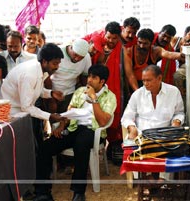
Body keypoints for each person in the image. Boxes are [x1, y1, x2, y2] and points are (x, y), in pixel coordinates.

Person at [34, 64, 117, 201]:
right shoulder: (79, 91)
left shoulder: (110, 97)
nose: (89, 80)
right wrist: (61, 126)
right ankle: (42, 191)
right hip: (74, 128)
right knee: (46, 146)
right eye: (89, 76)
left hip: (93, 131)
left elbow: (103, 122)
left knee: (81, 144)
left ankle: (78, 192)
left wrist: (94, 98)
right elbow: (69, 112)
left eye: (94, 78)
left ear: (102, 81)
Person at [121, 64, 184, 185]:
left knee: (170, 147)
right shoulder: (138, 94)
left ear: (159, 78)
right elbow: (127, 116)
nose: (145, 83)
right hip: (142, 134)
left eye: (149, 80)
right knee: (139, 146)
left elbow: (179, 113)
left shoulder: (173, 92)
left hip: (165, 134)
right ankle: (146, 178)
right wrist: (132, 127)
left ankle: (162, 178)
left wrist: (177, 122)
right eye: (143, 80)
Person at [0, 43, 65, 141]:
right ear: (44, 61)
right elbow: (26, 107)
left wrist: (51, 93)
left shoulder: (39, 68)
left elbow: (35, 90)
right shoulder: (30, 74)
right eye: (55, 63)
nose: (57, 67)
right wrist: (49, 116)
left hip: (22, 113)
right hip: (12, 115)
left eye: (58, 63)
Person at [83, 21, 124, 143]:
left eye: (114, 38)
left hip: (111, 88)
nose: (111, 40)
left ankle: (110, 144)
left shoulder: (122, 48)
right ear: (104, 34)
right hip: (93, 88)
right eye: (108, 37)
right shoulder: (95, 41)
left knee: (110, 116)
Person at [46, 38, 91, 114]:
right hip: (52, 91)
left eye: (81, 57)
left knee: (66, 119)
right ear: (71, 47)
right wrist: (51, 98)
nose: (77, 59)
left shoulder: (86, 57)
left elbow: (84, 77)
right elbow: (46, 77)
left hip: (70, 93)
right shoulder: (57, 52)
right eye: (75, 55)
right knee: (51, 119)